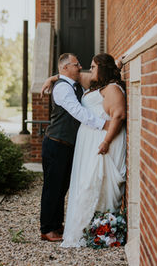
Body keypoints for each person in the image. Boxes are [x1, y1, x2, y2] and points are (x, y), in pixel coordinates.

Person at [40, 53, 109, 242]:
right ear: (65, 68)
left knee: (61, 188)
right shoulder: (62, 88)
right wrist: (103, 124)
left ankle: (56, 225)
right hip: (56, 144)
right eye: (76, 64)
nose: (80, 67)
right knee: (52, 188)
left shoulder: (72, 83)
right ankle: (47, 229)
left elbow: (98, 74)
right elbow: (77, 111)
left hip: (66, 145)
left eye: (79, 64)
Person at [60, 53, 126, 247]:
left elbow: (119, 116)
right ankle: (92, 228)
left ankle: (99, 228)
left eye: (93, 67)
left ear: (102, 69)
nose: (90, 70)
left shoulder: (112, 89)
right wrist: (53, 78)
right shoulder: (100, 87)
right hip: (89, 143)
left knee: (96, 181)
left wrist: (106, 141)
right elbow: (68, 74)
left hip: (102, 142)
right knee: (86, 182)